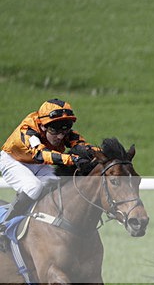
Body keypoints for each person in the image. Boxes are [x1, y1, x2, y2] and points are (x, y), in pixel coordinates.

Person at [0, 98, 96, 241]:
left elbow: (84, 147)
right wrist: (73, 159)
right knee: (33, 187)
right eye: (55, 130)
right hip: (13, 161)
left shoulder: (62, 131)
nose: (60, 136)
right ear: (44, 126)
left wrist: (104, 154)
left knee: (59, 185)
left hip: (38, 163)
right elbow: (40, 154)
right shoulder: (28, 131)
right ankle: (3, 226)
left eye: (65, 129)